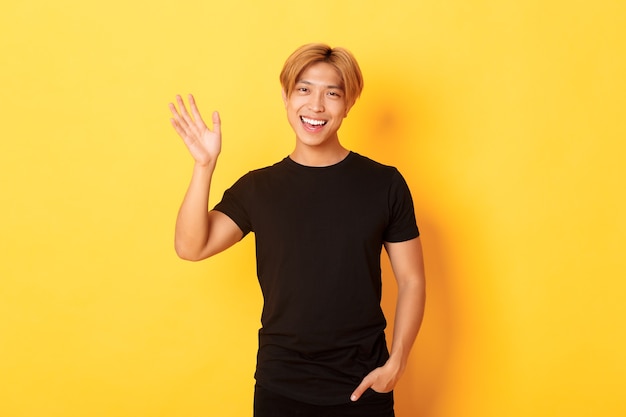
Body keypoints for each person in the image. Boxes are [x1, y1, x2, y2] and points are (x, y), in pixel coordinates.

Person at [168, 43, 426, 417]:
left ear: (348, 104)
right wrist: (204, 166)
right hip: (280, 387)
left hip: (364, 384)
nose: (316, 106)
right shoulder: (258, 188)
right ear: (286, 97)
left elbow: (413, 280)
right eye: (304, 89)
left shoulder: (384, 184)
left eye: (332, 93)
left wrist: (396, 364)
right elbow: (191, 246)